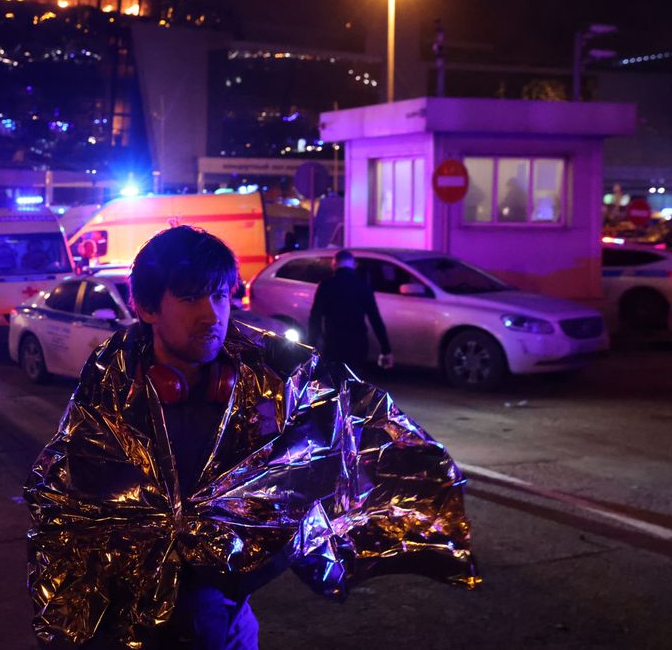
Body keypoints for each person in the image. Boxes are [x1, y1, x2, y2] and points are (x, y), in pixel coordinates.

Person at [25, 227, 477, 649]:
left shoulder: (264, 392)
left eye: (220, 296)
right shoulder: (114, 396)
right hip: (132, 629)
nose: (211, 315)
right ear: (146, 308)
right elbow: (69, 511)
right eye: (189, 298)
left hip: (227, 625)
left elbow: (320, 475)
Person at [306, 249, 393, 372]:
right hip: (358, 346)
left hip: (333, 344)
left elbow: (315, 317)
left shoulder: (326, 286)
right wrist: (386, 349)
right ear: (353, 265)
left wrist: (312, 344)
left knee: (332, 381)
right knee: (353, 382)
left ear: (334, 265)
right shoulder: (363, 287)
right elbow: (375, 319)